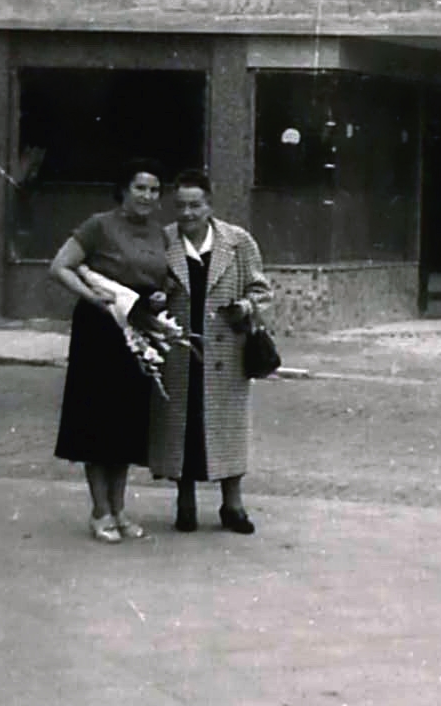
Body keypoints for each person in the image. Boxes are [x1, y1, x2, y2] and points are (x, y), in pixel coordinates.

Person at [49, 160, 169, 542]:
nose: (148, 196)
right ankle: (100, 511)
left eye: (154, 189)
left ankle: (119, 510)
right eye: (140, 188)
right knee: (97, 422)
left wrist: (161, 297)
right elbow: (60, 267)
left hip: (137, 328)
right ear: (124, 190)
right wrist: (93, 296)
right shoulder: (99, 225)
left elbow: (159, 278)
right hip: (100, 331)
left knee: (127, 424)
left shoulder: (159, 233)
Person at [149, 168, 273, 534]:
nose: (187, 214)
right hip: (179, 350)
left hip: (227, 354)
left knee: (227, 429)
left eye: (195, 205)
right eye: (181, 206)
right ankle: (184, 503)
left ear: (209, 205)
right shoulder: (163, 241)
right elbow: (146, 284)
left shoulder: (238, 242)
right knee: (181, 428)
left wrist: (246, 306)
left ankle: (232, 505)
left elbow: (262, 290)